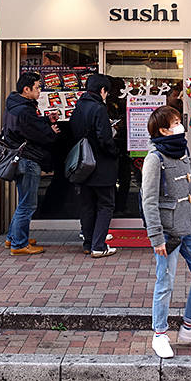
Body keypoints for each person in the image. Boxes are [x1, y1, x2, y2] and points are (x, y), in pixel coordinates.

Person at [141, 106, 191, 359]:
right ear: (163, 129)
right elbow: (149, 200)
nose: (179, 125)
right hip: (168, 233)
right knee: (165, 283)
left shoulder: (182, 151)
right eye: (175, 122)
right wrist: (156, 236)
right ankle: (160, 334)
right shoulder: (155, 159)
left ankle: (190, 326)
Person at [3, 71, 59, 256]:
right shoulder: (24, 110)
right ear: (26, 89)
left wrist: (44, 121)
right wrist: (50, 129)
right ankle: (19, 244)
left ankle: (13, 236)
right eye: (37, 87)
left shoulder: (15, 105)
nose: (40, 91)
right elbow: (40, 134)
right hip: (28, 159)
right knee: (28, 204)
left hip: (21, 159)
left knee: (23, 201)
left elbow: (28, 127)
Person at [69, 73, 119, 257]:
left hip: (83, 165)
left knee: (88, 205)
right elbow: (104, 139)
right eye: (107, 91)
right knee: (106, 204)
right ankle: (99, 246)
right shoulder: (99, 109)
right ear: (102, 90)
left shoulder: (79, 106)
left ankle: (88, 243)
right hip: (100, 165)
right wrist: (114, 152)